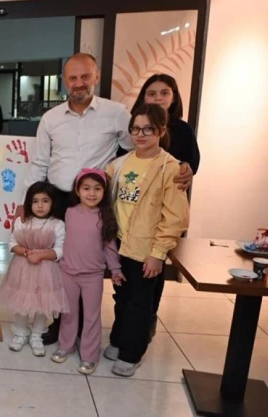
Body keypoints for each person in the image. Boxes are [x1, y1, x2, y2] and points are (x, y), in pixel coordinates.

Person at [24, 52, 193, 346]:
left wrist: (179, 166)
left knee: (92, 266)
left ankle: (98, 326)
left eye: (85, 76)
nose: (79, 83)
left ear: (96, 76)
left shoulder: (116, 113)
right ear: (65, 81)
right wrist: (26, 204)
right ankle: (63, 323)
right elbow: (39, 162)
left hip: (97, 201)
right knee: (60, 266)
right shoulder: (51, 118)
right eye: (73, 78)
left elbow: (140, 149)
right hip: (60, 200)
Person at [104, 104, 190, 377]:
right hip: (120, 243)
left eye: (148, 129)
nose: (140, 135)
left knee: (140, 302)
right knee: (121, 296)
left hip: (146, 248)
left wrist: (158, 253)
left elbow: (175, 217)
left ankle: (132, 353)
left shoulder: (170, 168)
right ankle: (119, 340)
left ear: (161, 131)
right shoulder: (120, 164)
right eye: (135, 129)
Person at [131, 73, 200, 339]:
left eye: (164, 93)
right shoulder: (137, 124)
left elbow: (191, 165)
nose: (158, 98)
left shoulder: (182, 129)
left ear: (174, 97)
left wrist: (186, 169)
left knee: (155, 265)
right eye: (152, 93)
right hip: (136, 207)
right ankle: (132, 315)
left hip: (164, 208)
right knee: (133, 267)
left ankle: (150, 315)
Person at [51, 169, 122, 375]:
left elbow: (110, 247)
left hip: (93, 276)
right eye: (86, 188)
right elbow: (60, 240)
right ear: (77, 190)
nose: (92, 193)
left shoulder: (105, 216)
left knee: (91, 317)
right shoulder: (69, 213)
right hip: (68, 273)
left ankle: (90, 356)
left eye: (97, 189)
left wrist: (115, 269)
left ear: (104, 192)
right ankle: (66, 345)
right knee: (68, 313)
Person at [0, 182, 68, 357]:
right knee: (21, 301)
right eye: (35, 201)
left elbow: (60, 250)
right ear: (29, 203)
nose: (40, 205)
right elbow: (12, 243)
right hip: (23, 267)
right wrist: (26, 252)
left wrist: (41, 255)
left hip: (47, 270)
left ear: (53, 203)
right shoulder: (22, 221)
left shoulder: (57, 224)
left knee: (42, 304)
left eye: (45, 201)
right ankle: (21, 332)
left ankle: (37, 335)